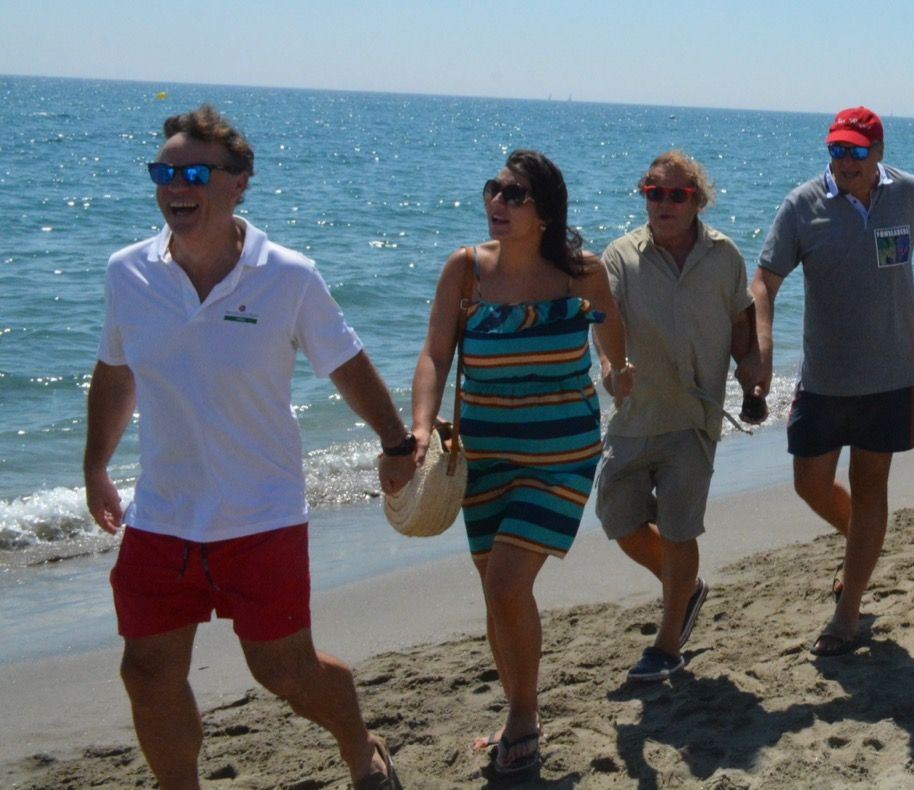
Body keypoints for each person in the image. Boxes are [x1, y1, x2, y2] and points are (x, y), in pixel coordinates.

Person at [85, 105, 408, 790]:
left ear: (240, 183)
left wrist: (396, 443)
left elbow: (346, 362)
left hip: (260, 516)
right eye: (164, 172)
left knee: (283, 671)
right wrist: (95, 466)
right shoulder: (127, 273)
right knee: (146, 670)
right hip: (162, 517)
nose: (176, 184)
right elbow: (116, 373)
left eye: (194, 172)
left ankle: (358, 743)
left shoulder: (286, 275)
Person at [408, 149, 632, 776]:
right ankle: (517, 707)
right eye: (493, 190)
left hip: (560, 453)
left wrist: (616, 369)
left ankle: (524, 718)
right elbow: (434, 355)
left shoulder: (580, 273)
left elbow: (609, 334)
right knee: (496, 592)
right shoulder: (467, 271)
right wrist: (421, 428)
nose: (497, 204)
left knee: (507, 585)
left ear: (545, 211)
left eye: (514, 194)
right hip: (483, 456)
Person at [752, 107, 914, 656]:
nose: (845, 162)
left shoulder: (910, 195)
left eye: (856, 152)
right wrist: (763, 345)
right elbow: (765, 281)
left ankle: (848, 612)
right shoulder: (802, 205)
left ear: (879, 151)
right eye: (837, 151)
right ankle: (860, 547)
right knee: (810, 483)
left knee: (872, 488)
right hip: (824, 376)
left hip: (892, 374)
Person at [596, 151, 760, 682]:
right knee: (618, 518)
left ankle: (667, 645)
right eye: (654, 192)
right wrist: (611, 369)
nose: (663, 203)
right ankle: (684, 589)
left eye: (677, 194)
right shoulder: (619, 256)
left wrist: (752, 369)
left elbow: (743, 314)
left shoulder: (724, 255)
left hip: (694, 416)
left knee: (678, 527)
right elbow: (606, 323)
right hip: (634, 413)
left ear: (697, 200)